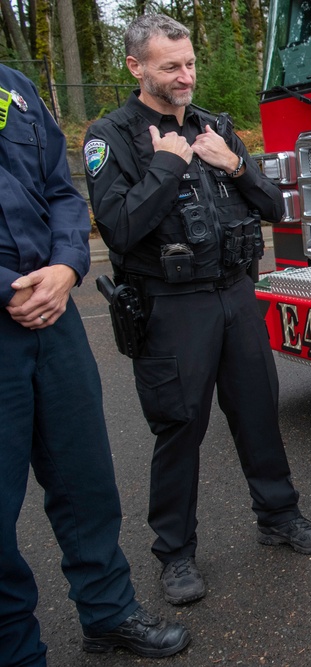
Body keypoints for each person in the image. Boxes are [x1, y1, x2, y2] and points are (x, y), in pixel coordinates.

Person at [84, 14, 311, 607]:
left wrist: (233, 164)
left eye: (189, 62)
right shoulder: (110, 137)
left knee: (257, 411)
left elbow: (274, 207)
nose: (185, 75)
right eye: (170, 66)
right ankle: (174, 553)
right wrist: (167, 165)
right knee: (179, 427)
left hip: (235, 295)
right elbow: (118, 229)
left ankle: (279, 516)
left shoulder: (215, 128)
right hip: (170, 307)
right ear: (136, 67)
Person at [0, 63, 189, 664]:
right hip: (8, 309)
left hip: (52, 314)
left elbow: (60, 189)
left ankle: (107, 614)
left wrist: (64, 267)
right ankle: (16, 649)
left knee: (85, 481)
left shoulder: (14, 88)